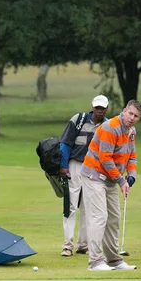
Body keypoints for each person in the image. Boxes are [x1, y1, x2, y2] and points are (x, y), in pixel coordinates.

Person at [80, 99, 141, 271]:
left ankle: (114, 260)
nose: (131, 118)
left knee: (114, 218)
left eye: (136, 116)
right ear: (124, 111)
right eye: (130, 113)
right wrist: (121, 180)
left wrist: (131, 175)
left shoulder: (131, 131)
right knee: (99, 217)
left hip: (109, 179)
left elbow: (131, 155)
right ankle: (95, 262)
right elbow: (105, 158)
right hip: (93, 175)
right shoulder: (110, 127)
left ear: (139, 118)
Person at [59, 95, 109, 257]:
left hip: (93, 168)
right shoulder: (78, 120)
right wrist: (63, 166)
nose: (99, 111)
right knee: (71, 206)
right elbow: (65, 144)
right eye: (97, 108)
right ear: (93, 107)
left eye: (102, 108)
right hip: (75, 165)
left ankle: (83, 244)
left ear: (106, 109)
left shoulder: (107, 126)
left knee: (88, 207)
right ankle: (67, 245)